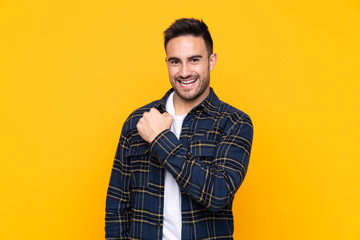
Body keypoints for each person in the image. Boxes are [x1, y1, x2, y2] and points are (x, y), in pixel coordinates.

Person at [105, 18, 253, 240]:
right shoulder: (138, 121)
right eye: (175, 62)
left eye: (194, 60)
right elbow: (117, 207)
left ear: (211, 61)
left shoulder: (234, 122)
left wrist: (160, 139)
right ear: (167, 62)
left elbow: (217, 194)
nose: (184, 72)